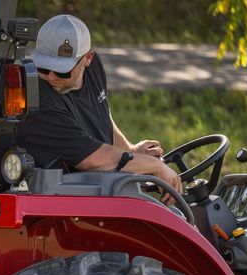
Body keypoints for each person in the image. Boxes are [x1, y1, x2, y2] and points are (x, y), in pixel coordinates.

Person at [16, 14, 183, 201]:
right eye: (44, 68)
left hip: (100, 185)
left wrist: (131, 152)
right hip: (68, 199)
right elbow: (92, 159)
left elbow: (102, 116)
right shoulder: (40, 101)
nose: (52, 76)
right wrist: (155, 166)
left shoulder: (93, 69)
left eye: (62, 71)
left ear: (87, 58)